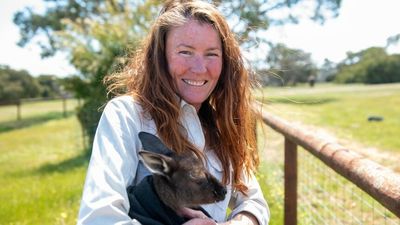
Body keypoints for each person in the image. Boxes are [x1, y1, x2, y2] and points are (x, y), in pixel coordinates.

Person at [77, 0, 270, 224]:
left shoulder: (220, 124)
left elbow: (253, 201)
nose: (199, 68)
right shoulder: (128, 115)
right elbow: (98, 218)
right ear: (161, 57)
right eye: (185, 52)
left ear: (226, 62)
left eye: (212, 54)